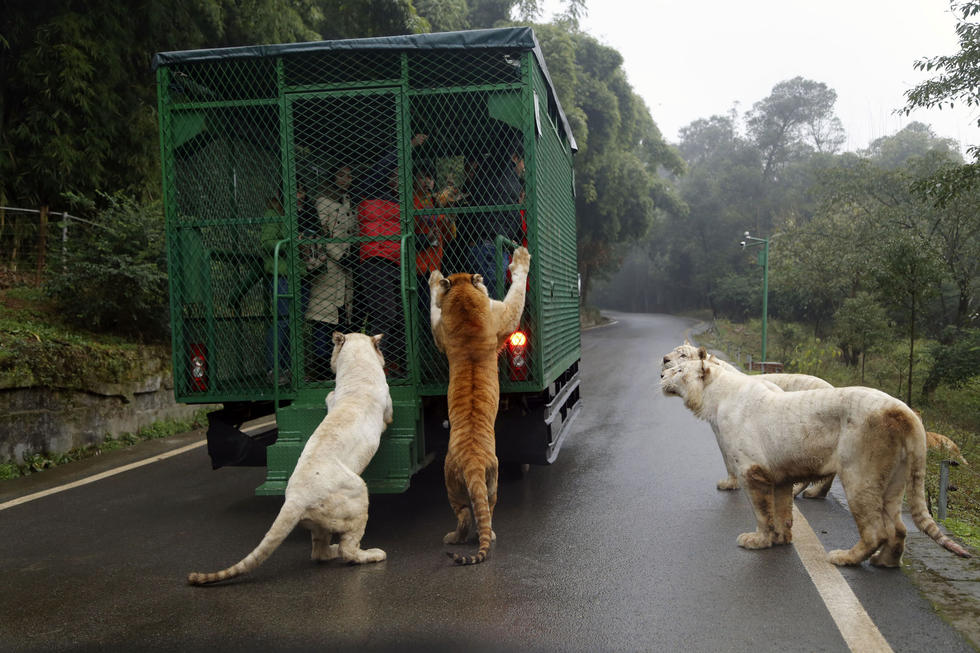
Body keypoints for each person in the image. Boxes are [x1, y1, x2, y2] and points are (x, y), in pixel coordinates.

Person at [305, 163, 356, 379]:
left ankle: (338, 367)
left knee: (341, 318)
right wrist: (339, 254)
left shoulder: (347, 201)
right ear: (334, 177)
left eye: (349, 175)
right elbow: (322, 234)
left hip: (345, 269)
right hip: (328, 269)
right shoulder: (322, 202)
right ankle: (320, 366)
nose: (348, 179)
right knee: (323, 318)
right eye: (343, 174)